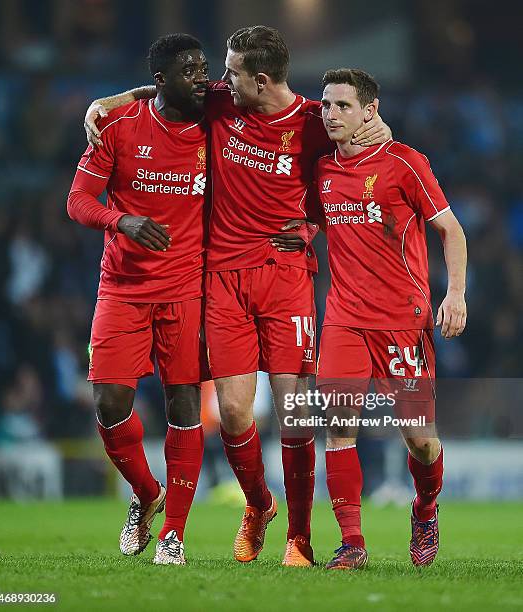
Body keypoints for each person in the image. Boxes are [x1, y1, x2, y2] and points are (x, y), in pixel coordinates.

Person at [84, 26, 391, 567]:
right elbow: (160, 92)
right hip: (222, 278)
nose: (218, 82)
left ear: (261, 80)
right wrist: (108, 100)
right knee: (231, 413)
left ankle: (300, 537)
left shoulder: (316, 121)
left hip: (286, 277)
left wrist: (313, 228)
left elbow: (358, 168)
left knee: (294, 414)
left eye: (230, 72)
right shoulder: (224, 103)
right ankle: (257, 506)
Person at [67, 33, 212, 566]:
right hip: (123, 286)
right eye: (191, 70)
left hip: (186, 288)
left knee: (185, 404)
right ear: (161, 80)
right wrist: (119, 219)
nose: (203, 77)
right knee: (109, 403)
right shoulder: (120, 127)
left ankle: (174, 531)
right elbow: (78, 200)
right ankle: (147, 494)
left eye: (205, 68)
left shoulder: (216, 119)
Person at [315, 69, 467, 569]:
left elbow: (450, 230)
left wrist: (456, 295)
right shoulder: (320, 168)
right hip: (343, 319)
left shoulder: (405, 162)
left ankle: (424, 509)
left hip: (403, 320)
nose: (331, 113)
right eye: (326, 105)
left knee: (421, 440)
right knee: (338, 427)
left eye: (342, 105)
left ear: (370, 111)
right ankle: (352, 544)